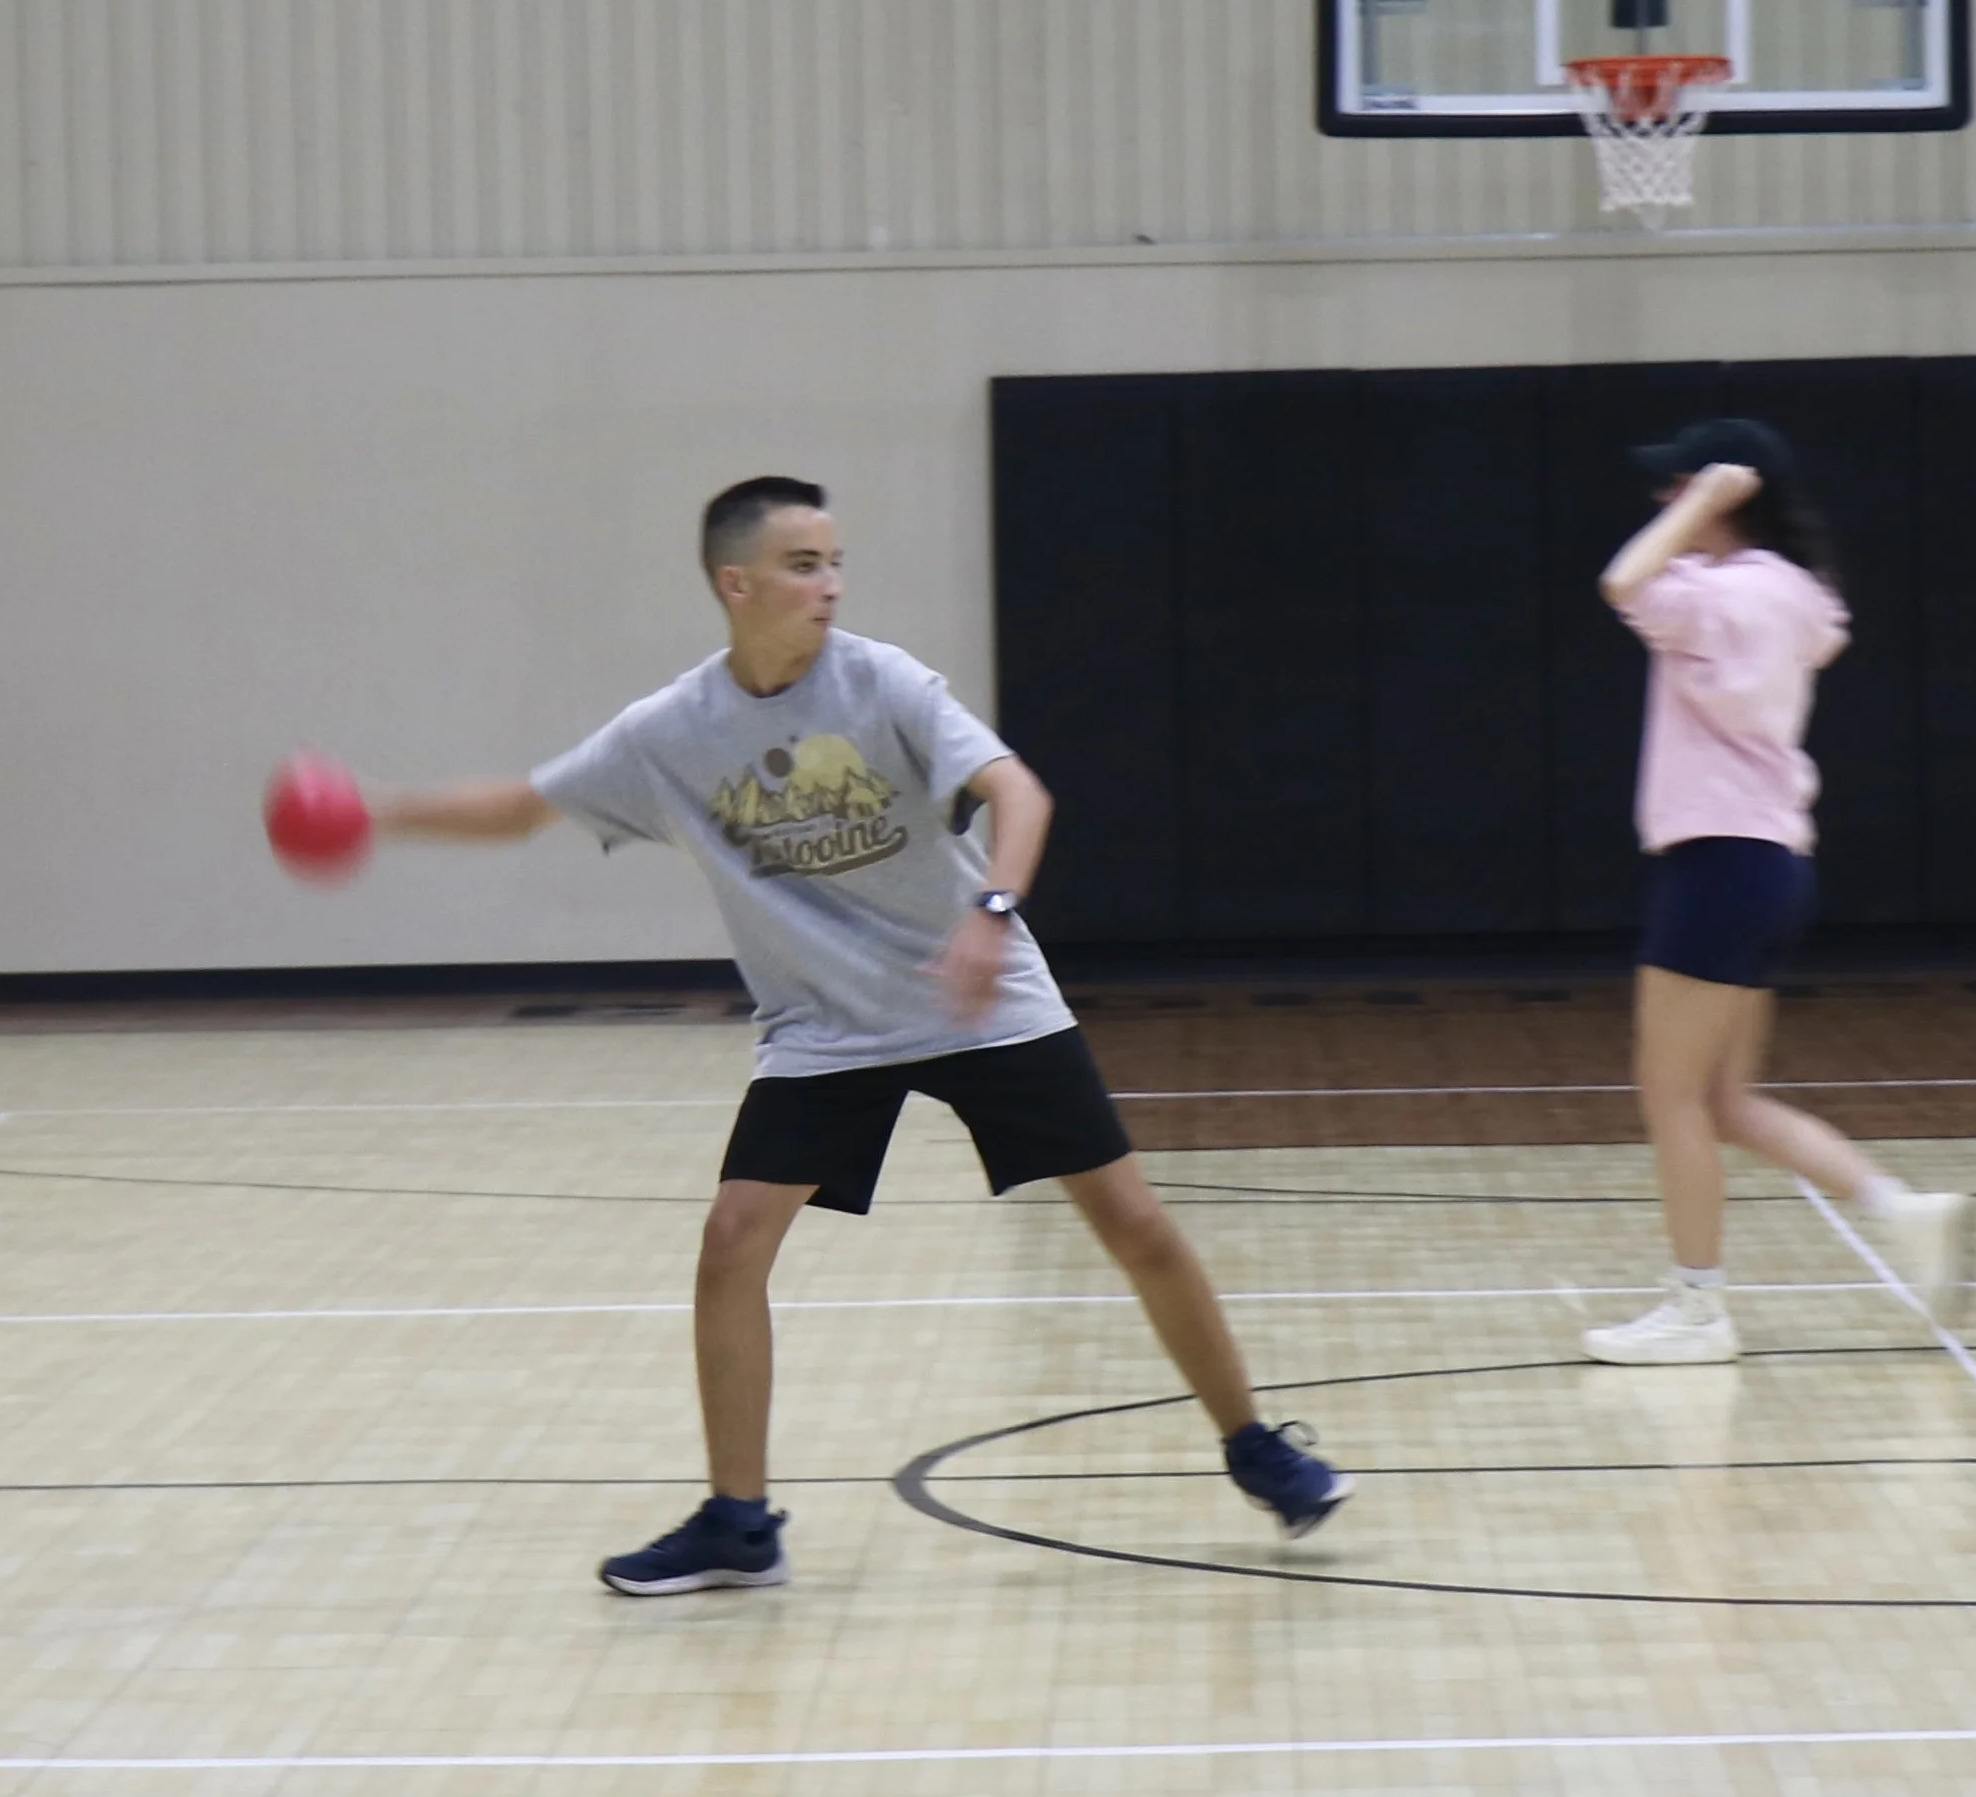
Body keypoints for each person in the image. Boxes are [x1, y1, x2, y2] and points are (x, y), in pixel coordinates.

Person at [357, 476, 1355, 1591]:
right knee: (734, 1240)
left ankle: (1257, 1448)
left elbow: (1020, 794)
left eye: (835, 561)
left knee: (1133, 1222)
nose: (829, 583)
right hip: (826, 1023)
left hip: (977, 993)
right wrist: (375, 811)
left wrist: (991, 915)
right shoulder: (672, 732)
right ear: (736, 584)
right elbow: (523, 806)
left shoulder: (883, 681)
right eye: (802, 564)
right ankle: (740, 1522)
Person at [1583, 420, 1968, 1365]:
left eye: (1669, 487)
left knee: (1668, 1093)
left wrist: (1705, 504)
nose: (1657, 503)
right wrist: (1710, 508)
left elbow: (1621, 581)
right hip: (1769, 867)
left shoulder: (1714, 596)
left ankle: (1698, 1306)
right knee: (1725, 1099)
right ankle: (1904, 1212)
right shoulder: (1795, 594)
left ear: (1719, 493)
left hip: (1716, 862)